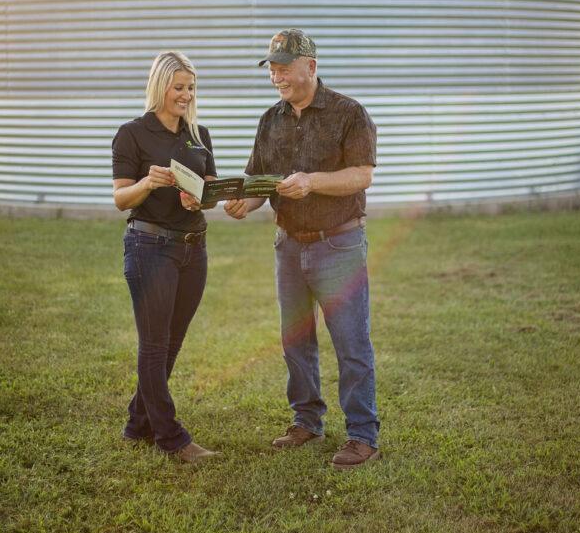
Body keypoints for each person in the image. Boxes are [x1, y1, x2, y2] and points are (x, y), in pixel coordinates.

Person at [225, 29, 381, 470]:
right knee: (296, 341)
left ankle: (362, 435)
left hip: (339, 243)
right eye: (272, 68)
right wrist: (245, 202)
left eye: (284, 67)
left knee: (351, 343)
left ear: (310, 66)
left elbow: (362, 175)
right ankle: (307, 421)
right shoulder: (269, 120)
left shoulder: (350, 113)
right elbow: (258, 180)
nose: (277, 76)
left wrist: (311, 181)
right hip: (288, 245)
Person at [111, 51, 219, 464]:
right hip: (150, 247)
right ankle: (170, 437)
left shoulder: (199, 133)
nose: (187, 95)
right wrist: (146, 183)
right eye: (179, 88)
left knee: (171, 343)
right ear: (160, 87)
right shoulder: (132, 134)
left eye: (191, 88)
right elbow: (121, 198)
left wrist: (201, 199)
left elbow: (209, 189)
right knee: (154, 346)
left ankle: (138, 424)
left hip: (194, 248)